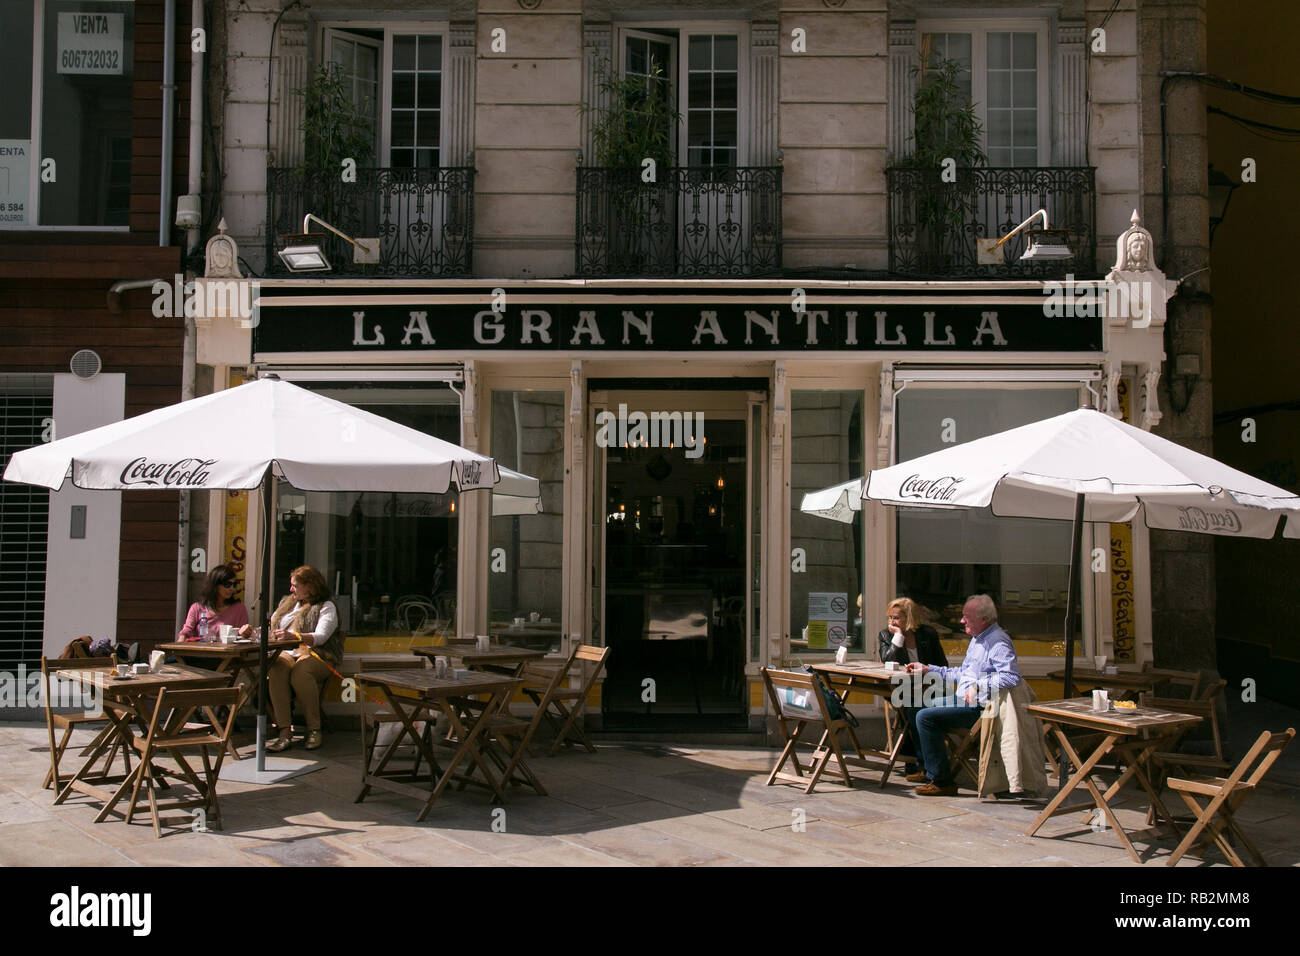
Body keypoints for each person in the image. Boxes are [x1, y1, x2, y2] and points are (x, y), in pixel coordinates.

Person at [904, 593, 1020, 796]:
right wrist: (929, 669)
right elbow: (962, 673)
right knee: (914, 705)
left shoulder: (997, 642)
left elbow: (1011, 677)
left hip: (981, 708)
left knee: (925, 716)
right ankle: (928, 767)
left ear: (984, 619)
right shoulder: (978, 640)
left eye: (967, 616)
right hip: (962, 698)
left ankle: (942, 781)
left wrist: (979, 685)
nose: (961, 620)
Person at [261, 565, 344, 752]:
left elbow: (321, 637)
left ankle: (314, 729)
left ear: (310, 586)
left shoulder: (326, 606)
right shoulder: (286, 604)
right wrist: (253, 632)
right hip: (287, 653)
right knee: (276, 668)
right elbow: (272, 630)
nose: (291, 589)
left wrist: (296, 637)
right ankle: (284, 731)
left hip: (318, 654)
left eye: (295, 585)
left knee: (301, 672)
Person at [876, 597, 947, 777]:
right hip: (901, 688)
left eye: (897, 618)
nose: (892, 622)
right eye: (890, 617)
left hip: (931, 686)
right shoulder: (886, 635)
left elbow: (941, 664)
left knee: (916, 709)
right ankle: (922, 763)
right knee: (913, 707)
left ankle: (922, 763)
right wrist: (898, 638)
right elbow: (887, 661)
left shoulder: (928, 634)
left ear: (910, 618)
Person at [178, 565, 250, 641]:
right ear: (215, 585)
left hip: (228, 652)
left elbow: (242, 638)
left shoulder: (239, 609)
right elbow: (186, 632)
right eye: (227, 584)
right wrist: (178, 647)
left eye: (234, 585)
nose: (232, 588)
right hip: (201, 651)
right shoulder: (197, 608)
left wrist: (245, 633)